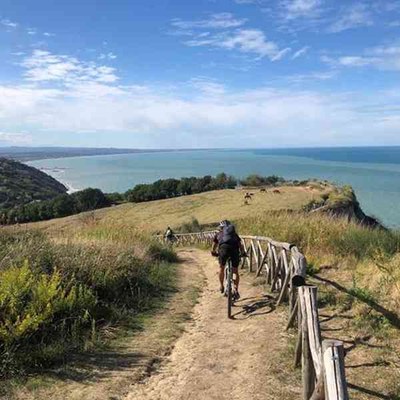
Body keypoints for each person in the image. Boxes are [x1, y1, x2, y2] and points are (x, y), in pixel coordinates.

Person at [211, 220, 245, 299]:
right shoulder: (234, 235)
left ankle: (221, 286)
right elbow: (240, 245)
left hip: (223, 249)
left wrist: (213, 252)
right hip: (234, 250)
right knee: (235, 271)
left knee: (221, 268)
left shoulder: (218, 234)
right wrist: (243, 253)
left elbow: (214, 245)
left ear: (221, 228)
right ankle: (236, 289)